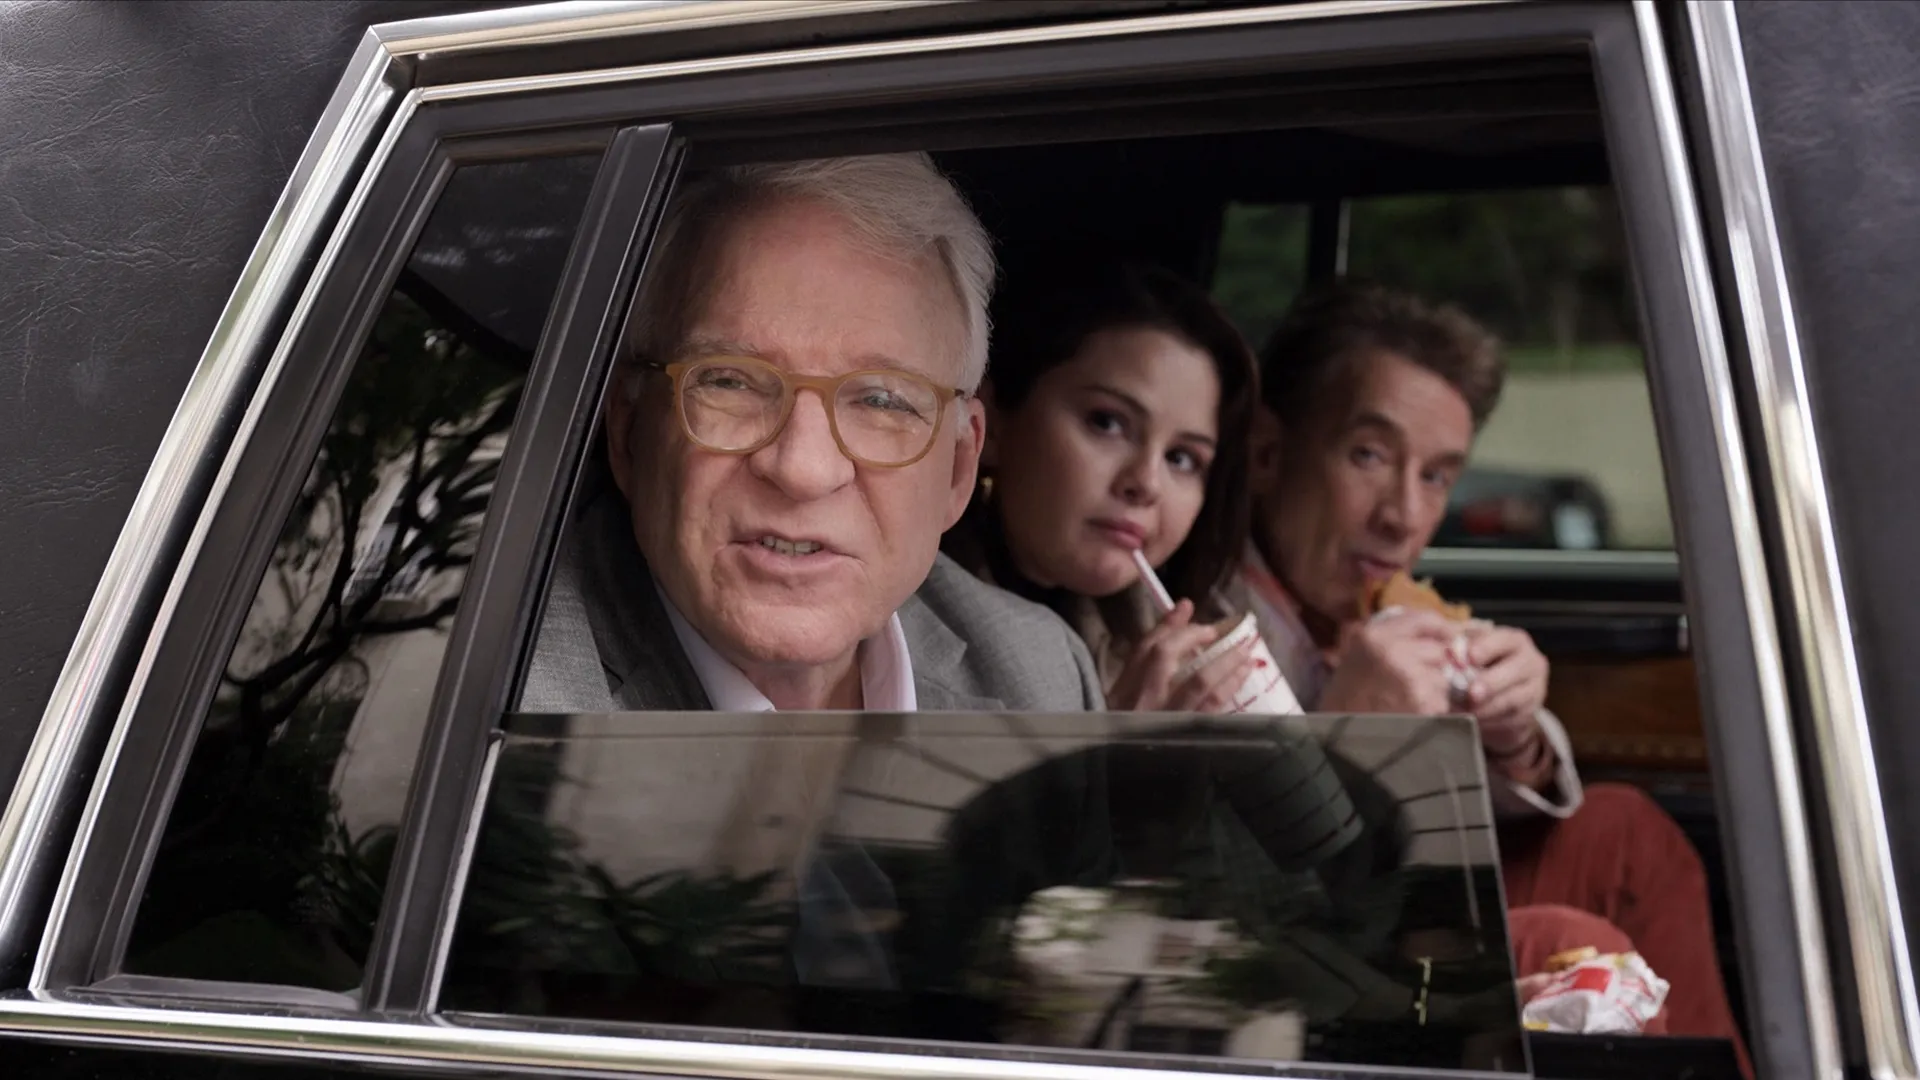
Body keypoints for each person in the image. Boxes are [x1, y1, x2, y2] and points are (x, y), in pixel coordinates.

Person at [1238, 280, 1749, 1069]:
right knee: (1570, 943)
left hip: (1410, 886)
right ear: (1269, 453)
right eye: (1369, 456)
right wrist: (1340, 732)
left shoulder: (1390, 613)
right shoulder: (1202, 623)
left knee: (1623, 831)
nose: (1403, 516)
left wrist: (1515, 739)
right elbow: (1230, 895)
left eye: (1438, 476)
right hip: (1310, 940)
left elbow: (1483, 809)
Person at [519, 153, 1103, 716]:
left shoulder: (1040, 672)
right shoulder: (502, 706)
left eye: (881, 400)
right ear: (628, 428)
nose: (803, 470)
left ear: (957, 469)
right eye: (731, 382)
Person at [941, 260, 1275, 711]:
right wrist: (1117, 756)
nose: (1146, 483)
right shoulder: (903, 624)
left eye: (1182, 458)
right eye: (1107, 422)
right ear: (993, 423)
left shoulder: (1191, 646)